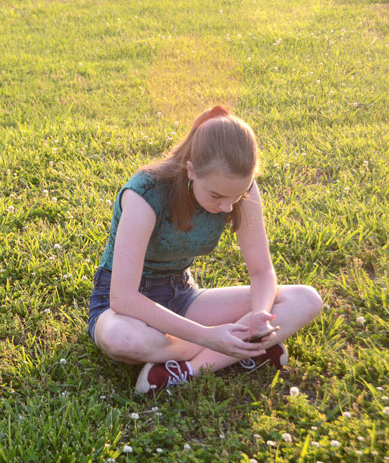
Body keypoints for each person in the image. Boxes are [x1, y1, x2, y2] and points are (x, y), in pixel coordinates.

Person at [87, 105, 323, 393]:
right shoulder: (146, 194)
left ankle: (186, 370)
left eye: (236, 196)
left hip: (182, 295)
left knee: (305, 300)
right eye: (217, 196)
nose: (227, 206)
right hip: (123, 308)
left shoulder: (240, 190)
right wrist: (208, 336)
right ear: (191, 170)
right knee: (122, 339)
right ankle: (241, 349)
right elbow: (123, 298)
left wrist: (258, 316)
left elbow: (261, 271)